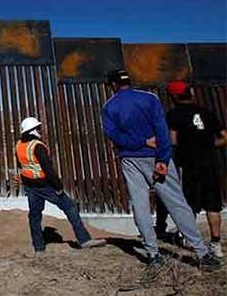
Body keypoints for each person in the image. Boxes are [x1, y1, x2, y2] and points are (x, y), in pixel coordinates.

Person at [102, 69, 220, 271]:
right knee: (177, 203)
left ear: (112, 85)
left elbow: (113, 135)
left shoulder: (109, 106)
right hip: (157, 157)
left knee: (140, 206)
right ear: (129, 81)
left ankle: (153, 254)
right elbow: (162, 130)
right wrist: (163, 159)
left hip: (130, 159)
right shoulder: (149, 98)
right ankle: (202, 253)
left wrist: (140, 142)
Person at [16, 116, 107, 253]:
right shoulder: (37, 146)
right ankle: (84, 239)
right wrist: (58, 187)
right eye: (38, 128)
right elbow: (48, 169)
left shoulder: (19, 145)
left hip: (30, 185)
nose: (40, 130)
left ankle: (39, 247)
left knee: (34, 215)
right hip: (45, 185)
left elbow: (21, 165)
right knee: (69, 207)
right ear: (33, 130)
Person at [163, 80, 226, 258]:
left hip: (189, 164)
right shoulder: (207, 113)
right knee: (213, 205)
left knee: (188, 203)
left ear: (174, 96)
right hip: (211, 164)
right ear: (189, 93)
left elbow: (173, 141)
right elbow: (224, 137)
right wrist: (209, 144)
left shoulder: (174, 115)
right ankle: (216, 244)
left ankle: (188, 238)